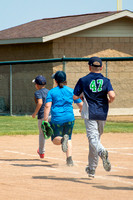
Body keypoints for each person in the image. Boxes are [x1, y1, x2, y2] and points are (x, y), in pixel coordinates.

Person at [73, 56, 115, 178]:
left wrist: (81, 96)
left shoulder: (83, 80)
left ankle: (102, 152)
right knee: (95, 141)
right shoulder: (106, 81)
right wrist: (109, 101)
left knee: (93, 139)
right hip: (102, 112)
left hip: (89, 113)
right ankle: (91, 169)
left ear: (90, 67)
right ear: (101, 67)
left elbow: (75, 96)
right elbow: (112, 95)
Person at [44, 71, 83, 166]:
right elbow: (81, 104)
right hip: (70, 118)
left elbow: (47, 106)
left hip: (57, 119)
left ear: (56, 81)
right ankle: (69, 160)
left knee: (55, 139)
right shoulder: (71, 91)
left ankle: (62, 140)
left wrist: (45, 120)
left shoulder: (52, 92)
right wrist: (81, 110)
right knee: (68, 138)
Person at [32, 75, 49, 159]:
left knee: (42, 134)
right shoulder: (49, 91)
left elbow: (40, 103)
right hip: (51, 114)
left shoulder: (37, 92)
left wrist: (35, 113)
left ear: (37, 85)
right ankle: (60, 140)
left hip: (42, 115)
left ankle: (41, 152)